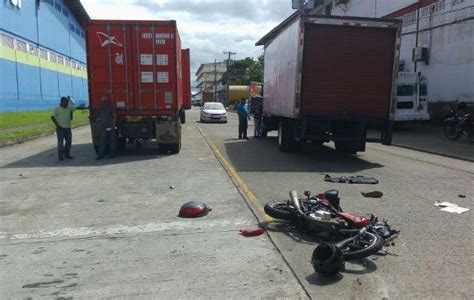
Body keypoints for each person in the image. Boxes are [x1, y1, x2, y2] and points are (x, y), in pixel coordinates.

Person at [51, 96, 76, 161]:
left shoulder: (69, 108)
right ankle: (60, 156)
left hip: (68, 128)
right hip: (60, 128)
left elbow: (75, 107)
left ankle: (67, 155)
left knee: (68, 142)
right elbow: (52, 117)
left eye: (67, 102)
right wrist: (57, 126)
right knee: (60, 143)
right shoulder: (56, 108)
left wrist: (70, 100)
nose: (67, 103)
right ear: (61, 102)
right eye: (66, 102)